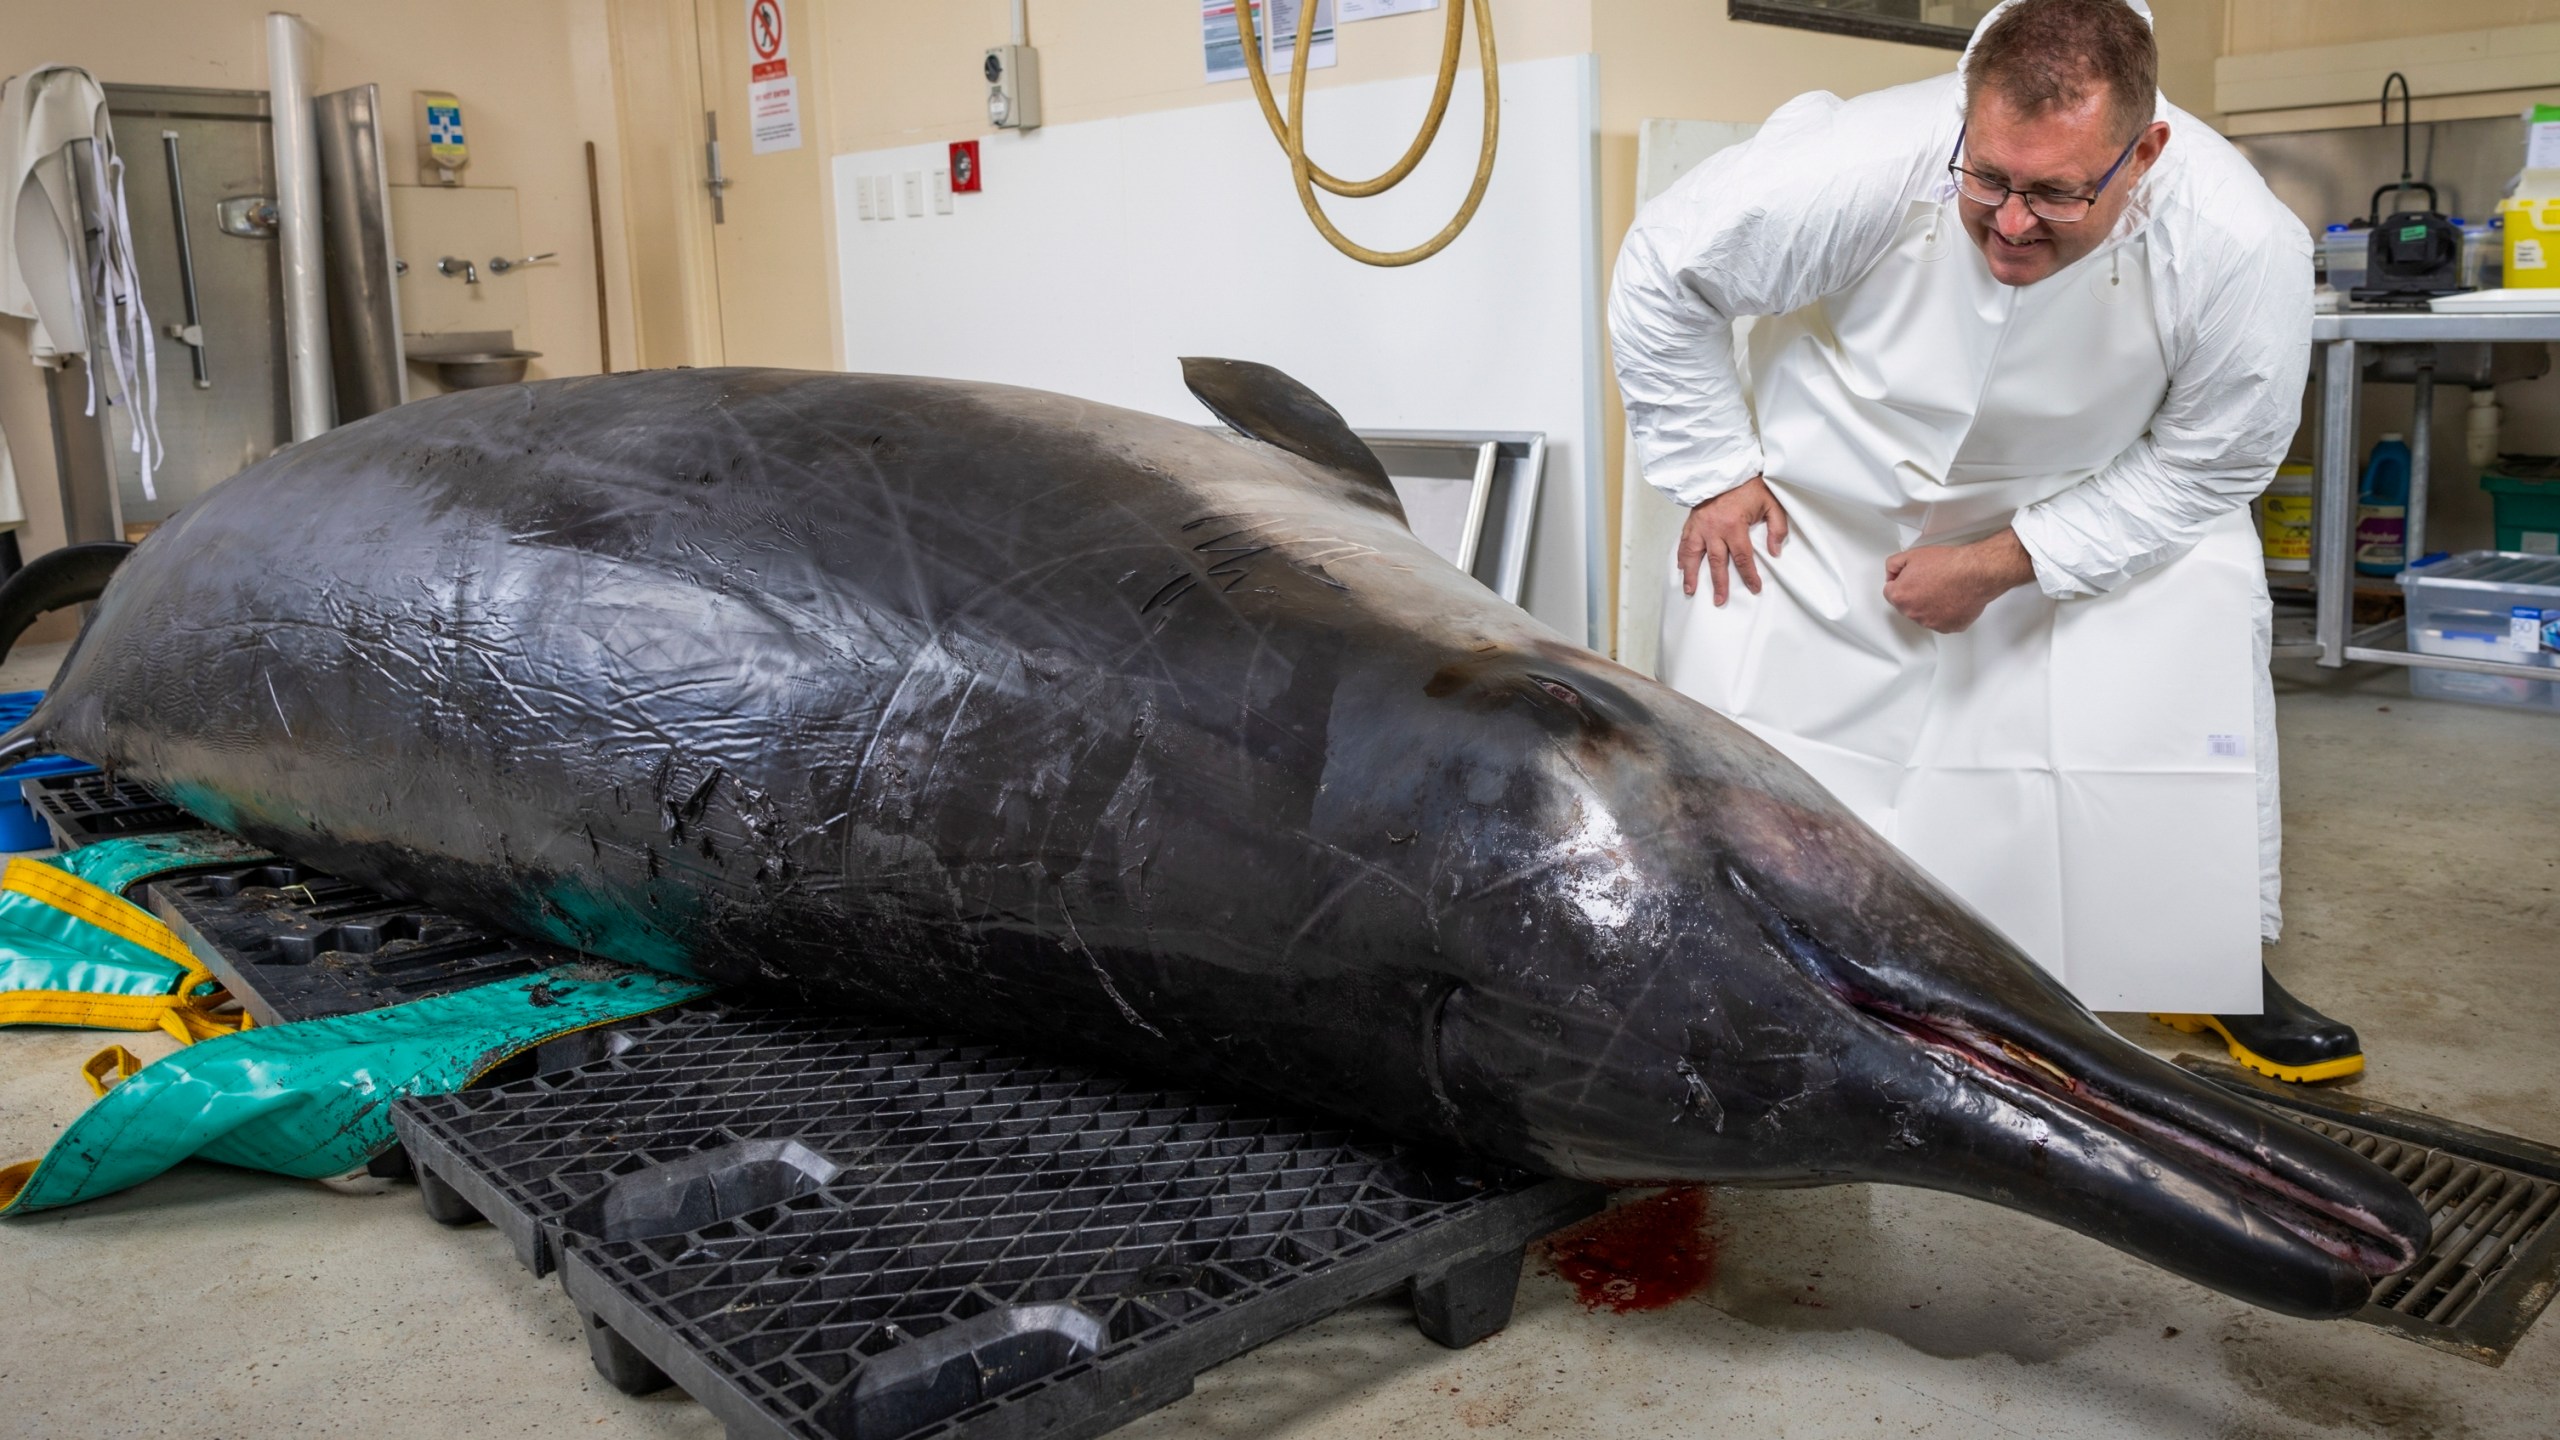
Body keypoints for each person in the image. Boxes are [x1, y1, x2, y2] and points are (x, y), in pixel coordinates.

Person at [1610, 0, 2360, 1081]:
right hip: (1834, 499)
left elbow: (2212, 461)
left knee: (2192, 609)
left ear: (2143, 152)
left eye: (2057, 192)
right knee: (1757, 722)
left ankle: (2195, 965)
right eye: (1989, 179)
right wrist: (1716, 469)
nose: (2012, 223)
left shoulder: (2238, 241)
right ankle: (1752, 966)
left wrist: (2011, 561)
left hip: (2093, 502)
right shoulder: (1862, 159)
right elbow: (1663, 272)